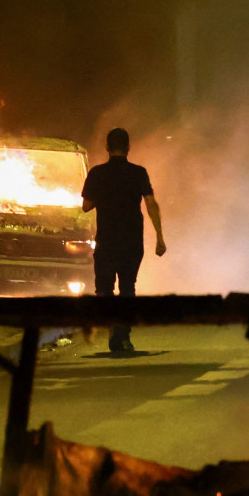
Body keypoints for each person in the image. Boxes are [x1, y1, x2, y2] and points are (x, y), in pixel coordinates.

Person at [81, 127, 167, 352]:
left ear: (107, 148)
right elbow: (151, 205)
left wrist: (104, 196)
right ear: (128, 147)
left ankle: (113, 328)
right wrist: (159, 236)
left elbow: (86, 206)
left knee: (105, 289)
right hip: (131, 241)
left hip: (107, 241)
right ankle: (123, 335)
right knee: (128, 288)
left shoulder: (97, 173)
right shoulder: (139, 173)